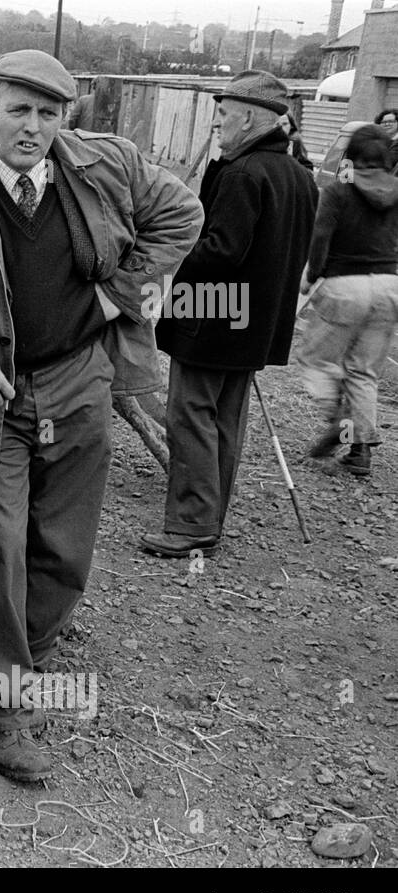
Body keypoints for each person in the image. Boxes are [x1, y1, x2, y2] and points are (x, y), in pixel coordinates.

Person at [0, 50, 201, 781]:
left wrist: (124, 291)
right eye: (18, 109)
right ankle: (6, 706)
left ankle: (25, 654)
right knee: (1, 542)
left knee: (66, 546)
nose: (33, 126)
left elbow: (183, 212)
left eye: (48, 113)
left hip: (81, 377)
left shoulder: (101, 163)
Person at [142, 71, 317, 559]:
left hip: (213, 312)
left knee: (191, 415)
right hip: (254, 320)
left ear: (246, 115)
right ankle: (207, 516)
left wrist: (169, 252)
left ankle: (191, 524)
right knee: (224, 419)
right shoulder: (298, 175)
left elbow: (221, 250)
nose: (217, 124)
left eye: (222, 115)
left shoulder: (245, 173)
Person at [297, 124, 398, 478]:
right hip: (389, 285)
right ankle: (359, 451)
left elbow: (321, 238)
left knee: (316, 360)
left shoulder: (338, 193)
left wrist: (311, 276)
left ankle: (337, 416)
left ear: (350, 159)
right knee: (363, 371)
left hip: (344, 286)